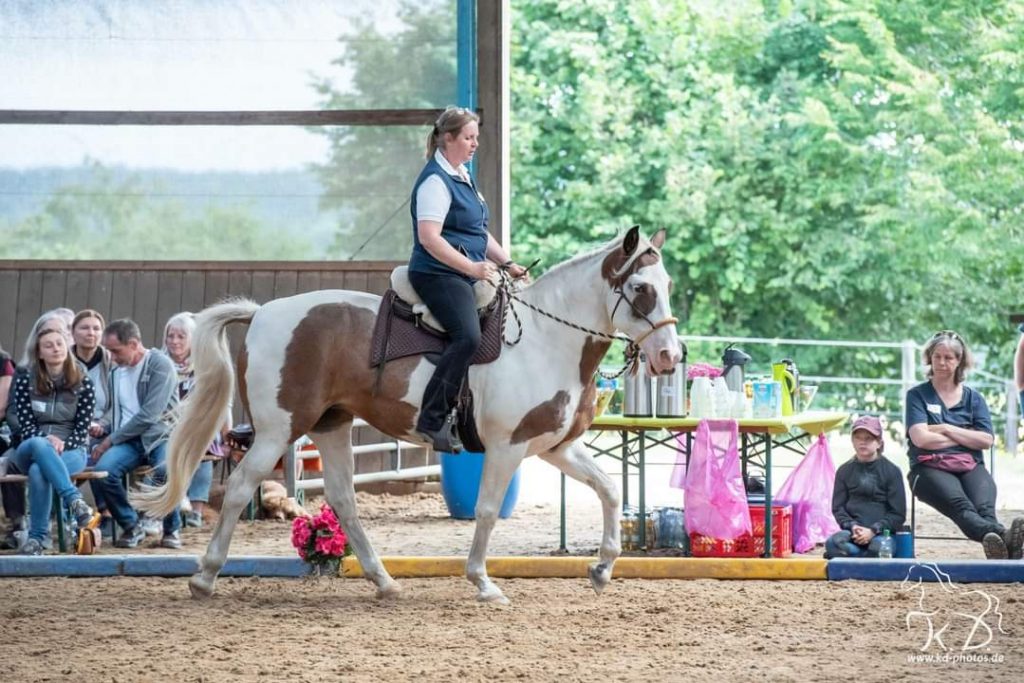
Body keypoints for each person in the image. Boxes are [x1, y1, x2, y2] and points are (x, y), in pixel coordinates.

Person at [407, 105, 527, 452]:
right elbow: (430, 237)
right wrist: (472, 268)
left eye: (476, 138)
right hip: (438, 273)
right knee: (467, 337)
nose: (475, 144)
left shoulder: (461, 174)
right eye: (469, 138)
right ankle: (431, 419)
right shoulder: (435, 181)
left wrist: (508, 263)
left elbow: (478, 232)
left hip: (464, 269)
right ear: (448, 139)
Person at [906, 330, 1024, 560]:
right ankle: (1004, 535)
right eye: (937, 356)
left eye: (948, 357)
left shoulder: (974, 398)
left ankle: (1002, 550)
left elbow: (986, 440)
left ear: (959, 361)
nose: (942, 362)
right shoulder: (917, 395)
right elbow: (921, 439)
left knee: (985, 510)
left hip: (970, 465)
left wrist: (945, 428)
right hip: (928, 468)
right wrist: (966, 436)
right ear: (929, 358)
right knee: (962, 506)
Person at [7, 327, 100, 555]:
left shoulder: (83, 382)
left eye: (59, 343)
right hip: (30, 447)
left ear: (66, 347)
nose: (55, 349)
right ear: (39, 353)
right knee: (40, 446)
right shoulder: (25, 380)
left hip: (72, 450)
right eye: (48, 345)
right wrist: (46, 439)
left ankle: (37, 539)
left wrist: (62, 444)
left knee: (40, 471)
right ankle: (76, 502)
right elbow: (25, 425)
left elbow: (82, 430)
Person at [91, 319, 181, 549]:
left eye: (115, 351)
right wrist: (104, 426)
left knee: (167, 468)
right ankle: (131, 525)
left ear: (133, 344)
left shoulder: (160, 365)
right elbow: (120, 409)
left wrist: (109, 440)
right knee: (103, 471)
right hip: (129, 440)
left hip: (161, 435)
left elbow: (149, 414)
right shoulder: (116, 372)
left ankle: (172, 529)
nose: (112, 357)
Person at [162, 312, 230, 528]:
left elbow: (220, 403)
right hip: (166, 425)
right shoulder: (159, 365)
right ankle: (177, 498)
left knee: (203, 445)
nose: (175, 341)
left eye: (181, 336)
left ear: (193, 339)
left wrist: (226, 432)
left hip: (198, 425)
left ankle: (196, 510)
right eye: (171, 336)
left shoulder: (205, 366)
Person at [824, 415, 906, 558]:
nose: (862, 442)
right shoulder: (844, 471)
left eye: (868, 438)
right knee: (833, 542)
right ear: (852, 441)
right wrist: (852, 526)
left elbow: (898, 514)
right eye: (858, 438)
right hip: (853, 533)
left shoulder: (892, 471)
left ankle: (855, 556)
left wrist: (874, 530)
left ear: (879, 442)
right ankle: (861, 555)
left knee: (879, 548)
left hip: (881, 534)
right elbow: (838, 508)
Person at [71, 309, 115, 537]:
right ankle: (68, 514)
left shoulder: (111, 361)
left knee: (99, 454)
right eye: (85, 328)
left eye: (96, 328)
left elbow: (117, 402)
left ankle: (106, 513)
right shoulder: (64, 360)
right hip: (70, 427)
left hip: (102, 427)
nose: (91, 333)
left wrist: (103, 424)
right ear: (73, 332)